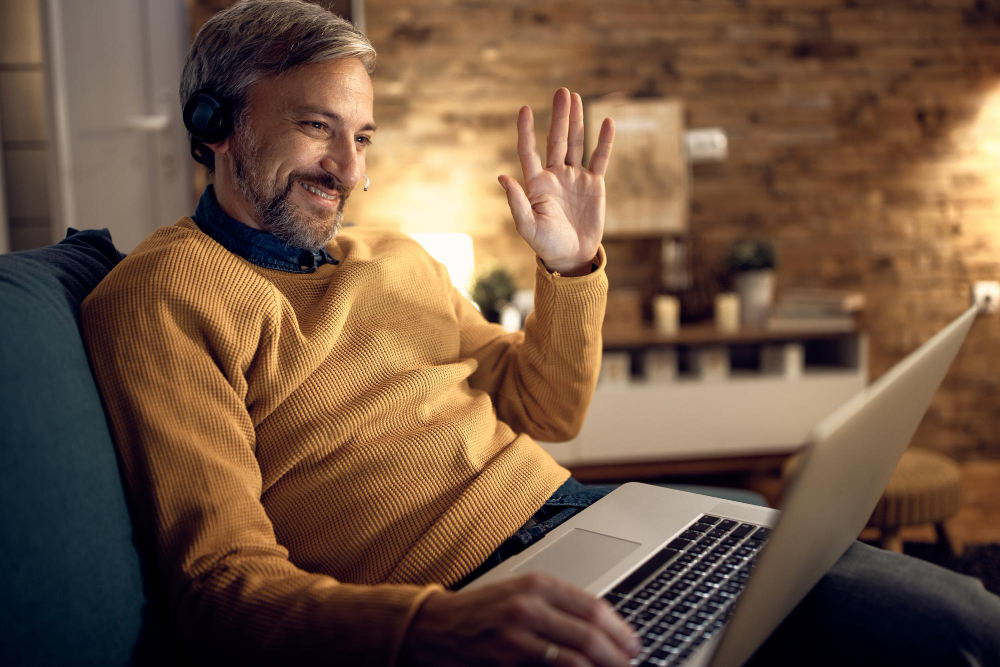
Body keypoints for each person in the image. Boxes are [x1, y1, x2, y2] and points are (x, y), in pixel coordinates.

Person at [81, 2, 1000, 666]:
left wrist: (569, 266)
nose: (350, 170)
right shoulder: (162, 298)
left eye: (364, 137)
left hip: (592, 515)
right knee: (932, 640)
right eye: (318, 129)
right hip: (467, 593)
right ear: (216, 127)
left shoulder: (393, 256)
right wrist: (433, 626)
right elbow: (220, 585)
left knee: (961, 612)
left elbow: (548, 406)